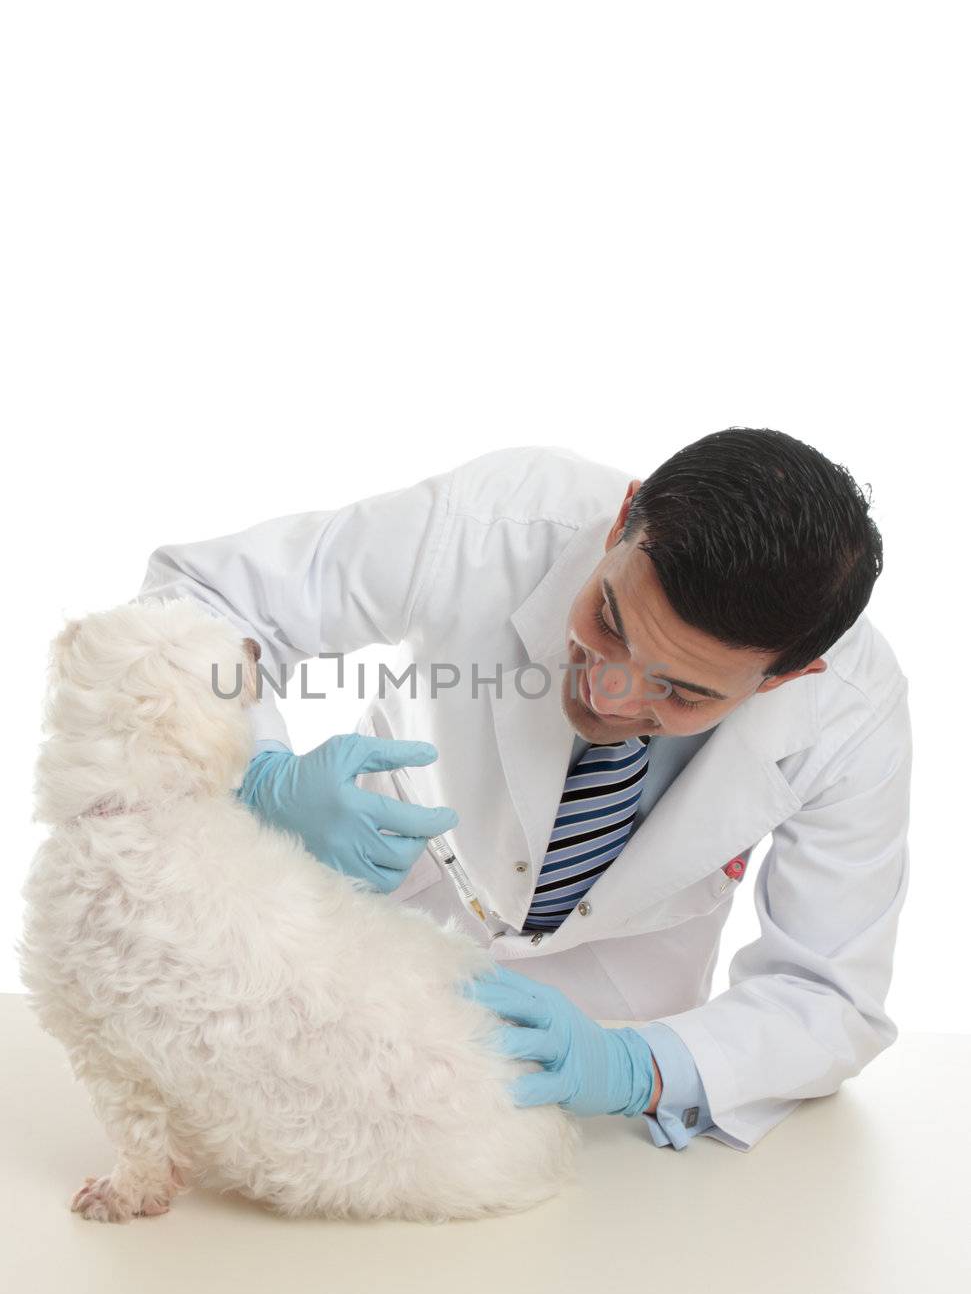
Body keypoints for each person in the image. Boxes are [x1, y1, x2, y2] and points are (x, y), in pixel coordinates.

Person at [137, 430, 911, 1152]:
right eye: (608, 621)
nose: (609, 693)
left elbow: (828, 996)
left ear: (786, 678)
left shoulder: (850, 715)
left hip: (611, 1035)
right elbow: (201, 600)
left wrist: (634, 1068)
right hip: (352, 945)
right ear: (619, 526)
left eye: (679, 691)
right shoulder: (492, 525)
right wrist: (257, 770)